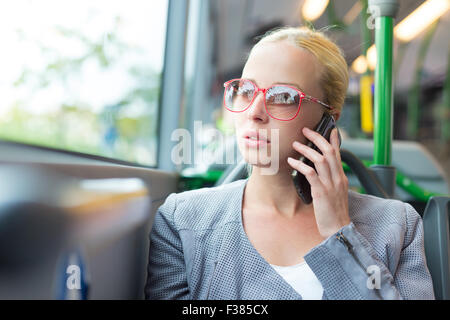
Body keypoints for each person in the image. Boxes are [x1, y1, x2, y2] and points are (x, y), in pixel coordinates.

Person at [145, 26, 435, 300]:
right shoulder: (182, 221)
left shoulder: (398, 225)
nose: (254, 112)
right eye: (246, 90)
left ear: (327, 119)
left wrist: (341, 235)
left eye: (282, 96)